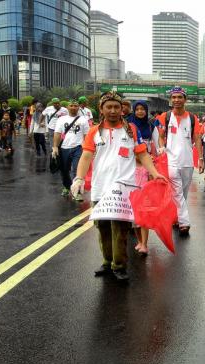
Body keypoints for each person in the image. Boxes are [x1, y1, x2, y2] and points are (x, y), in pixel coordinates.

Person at [71, 91, 165, 281]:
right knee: (102, 226)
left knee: (120, 228)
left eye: (117, 107)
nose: (113, 111)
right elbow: (86, 156)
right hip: (100, 187)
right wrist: (79, 178)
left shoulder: (131, 129)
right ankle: (107, 262)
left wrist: (154, 172)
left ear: (122, 109)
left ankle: (119, 265)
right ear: (101, 109)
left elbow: (142, 154)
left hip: (123, 187)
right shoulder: (94, 131)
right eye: (109, 107)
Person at [154, 86, 204, 237]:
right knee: (177, 192)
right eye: (174, 97)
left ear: (185, 99)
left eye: (179, 97)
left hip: (188, 162)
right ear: (171, 99)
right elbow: (160, 136)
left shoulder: (192, 118)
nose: (176, 100)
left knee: (183, 194)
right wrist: (161, 148)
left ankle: (176, 217)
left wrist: (200, 158)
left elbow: (197, 139)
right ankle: (184, 222)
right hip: (171, 161)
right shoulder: (165, 117)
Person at [129, 100, 156, 255]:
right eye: (137, 109)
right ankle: (139, 241)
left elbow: (153, 148)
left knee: (143, 210)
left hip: (145, 171)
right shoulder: (128, 126)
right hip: (130, 171)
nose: (140, 112)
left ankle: (145, 243)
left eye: (142, 109)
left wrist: (153, 168)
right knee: (133, 212)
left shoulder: (151, 126)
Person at [52, 99, 90, 199]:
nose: (73, 107)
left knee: (76, 170)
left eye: (75, 106)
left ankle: (76, 191)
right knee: (64, 170)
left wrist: (88, 149)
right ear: (68, 107)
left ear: (78, 107)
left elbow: (87, 136)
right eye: (71, 105)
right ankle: (66, 187)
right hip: (64, 148)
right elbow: (57, 134)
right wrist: (55, 147)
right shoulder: (61, 119)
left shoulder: (83, 120)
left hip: (78, 148)